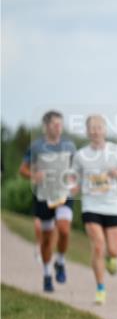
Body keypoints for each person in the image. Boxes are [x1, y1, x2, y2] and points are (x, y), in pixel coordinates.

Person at [71, 115, 117, 305]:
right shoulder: (80, 155)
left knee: (114, 251)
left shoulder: (116, 151)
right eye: (91, 128)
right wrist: (73, 187)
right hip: (90, 206)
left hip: (113, 206)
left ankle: (113, 258)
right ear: (87, 132)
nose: (95, 131)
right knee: (99, 245)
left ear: (104, 130)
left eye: (98, 127)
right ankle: (100, 288)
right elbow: (73, 178)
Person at [19, 110, 76, 293]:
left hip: (63, 195)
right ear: (46, 126)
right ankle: (46, 275)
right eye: (54, 124)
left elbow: (76, 169)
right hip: (43, 196)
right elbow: (23, 170)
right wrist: (33, 175)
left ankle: (60, 261)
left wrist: (75, 182)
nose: (58, 127)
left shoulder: (69, 146)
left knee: (64, 230)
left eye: (60, 124)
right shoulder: (36, 147)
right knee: (45, 240)